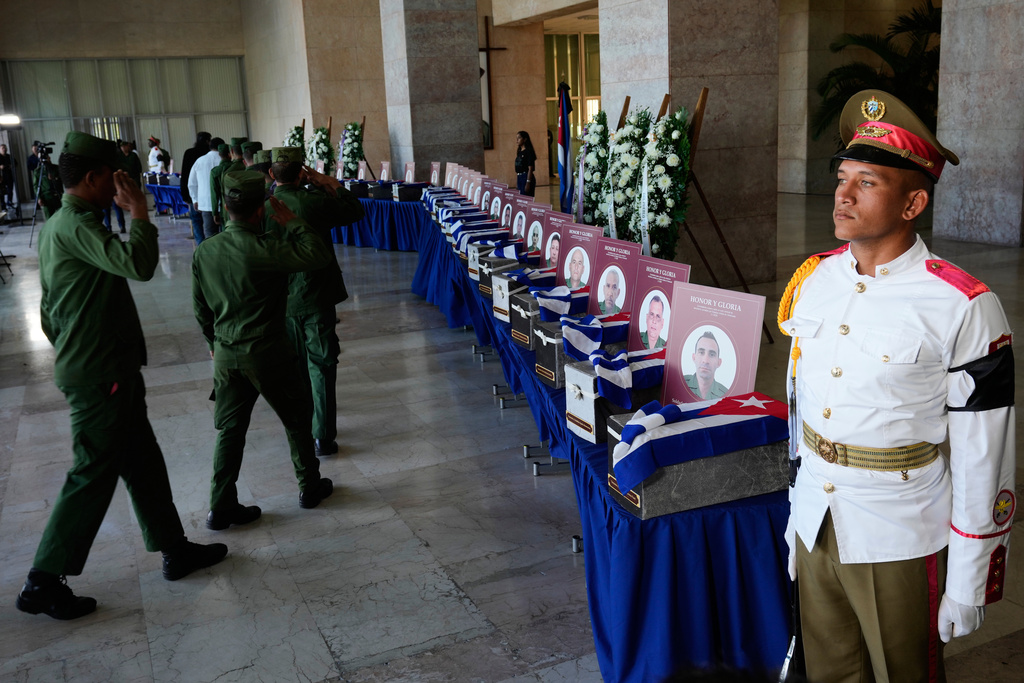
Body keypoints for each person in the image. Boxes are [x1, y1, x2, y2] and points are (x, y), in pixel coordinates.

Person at [778, 90, 1015, 682]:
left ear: (913, 202)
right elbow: (800, 408)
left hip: (899, 532)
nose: (843, 193)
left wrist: (969, 575)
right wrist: (795, 514)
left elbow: (986, 451)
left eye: (867, 182)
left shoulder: (963, 304)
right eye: (842, 178)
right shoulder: (816, 281)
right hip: (817, 521)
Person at [16, 131, 228, 621]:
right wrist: (138, 213)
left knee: (143, 463)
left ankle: (174, 548)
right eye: (114, 178)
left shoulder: (62, 224)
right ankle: (42, 580)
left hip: (108, 367)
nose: (122, 185)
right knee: (91, 471)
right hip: (99, 373)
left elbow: (50, 312)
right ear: (92, 178)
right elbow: (140, 265)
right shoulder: (76, 226)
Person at [192, 170, 336, 530]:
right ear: (261, 211)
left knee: (230, 431)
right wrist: (292, 221)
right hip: (268, 350)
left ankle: (220, 505)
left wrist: (215, 344)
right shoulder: (266, 248)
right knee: (297, 418)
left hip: (226, 355)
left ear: (225, 206)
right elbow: (317, 255)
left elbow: (200, 310)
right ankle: (308, 486)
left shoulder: (204, 252)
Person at [266, 147, 365, 456]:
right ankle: (323, 436)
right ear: (301, 173)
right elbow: (355, 210)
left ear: (271, 174)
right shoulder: (314, 201)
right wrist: (329, 182)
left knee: (292, 369)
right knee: (321, 365)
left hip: (280, 300)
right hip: (317, 295)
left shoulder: (262, 208)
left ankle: (302, 431)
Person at [186, 136, 225, 244]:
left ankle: (210, 257)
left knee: (210, 235)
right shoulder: (225, 160)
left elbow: (191, 183)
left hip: (206, 204)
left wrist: (195, 200)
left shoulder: (200, 161)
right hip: (224, 204)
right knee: (225, 234)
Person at [104, 140, 143, 233]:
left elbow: (137, 168)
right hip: (107, 187)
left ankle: (122, 226)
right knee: (107, 209)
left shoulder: (129, 156)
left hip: (119, 184)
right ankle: (109, 227)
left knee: (117, 207)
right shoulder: (117, 157)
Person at [180, 132, 212, 244]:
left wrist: (184, 194)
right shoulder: (209, 154)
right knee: (211, 225)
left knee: (196, 222)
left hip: (194, 194)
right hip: (209, 194)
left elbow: (184, 176)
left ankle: (200, 246)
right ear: (208, 141)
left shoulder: (189, 153)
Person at [683, 331, 727, 400]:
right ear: (694, 357)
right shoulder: (680, 383)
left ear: (719, 362)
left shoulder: (727, 396)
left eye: (712, 354)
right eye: (701, 352)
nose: (705, 361)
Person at [33, 148, 63, 221]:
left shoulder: (56, 168)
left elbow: (63, 181)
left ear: (49, 158)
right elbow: (36, 186)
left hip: (57, 195)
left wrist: (55, 178)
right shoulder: (38, 171)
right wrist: (39, 197)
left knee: (61, 218)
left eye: (47, 158)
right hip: (46, 197)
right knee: (49, 219)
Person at [209, 142, 232, 229]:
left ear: (219, 154)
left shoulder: (215, 171)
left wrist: (215, 213)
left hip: (224, 209)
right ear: (230, 154)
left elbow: (214, 194)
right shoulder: (237, 167)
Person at [515, 131, 537, 196]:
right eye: (516, 138)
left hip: (526, 176)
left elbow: (530, 169)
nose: (517, 140)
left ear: (525, 139)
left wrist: (528, 182)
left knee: (526, 198)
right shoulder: (519, 151)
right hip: (519, 177)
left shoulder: (528, 151)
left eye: (519, 138)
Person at [0, 143, 14, 210]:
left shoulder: (9, 156)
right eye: (2, 148)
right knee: (1, 192)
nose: (4, 149)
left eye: (5, 148)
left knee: (10, 190)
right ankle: (3, 206)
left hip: (9, 176)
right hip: (1, 177)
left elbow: (15, 163)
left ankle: (9, 203)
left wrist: (11, 165)